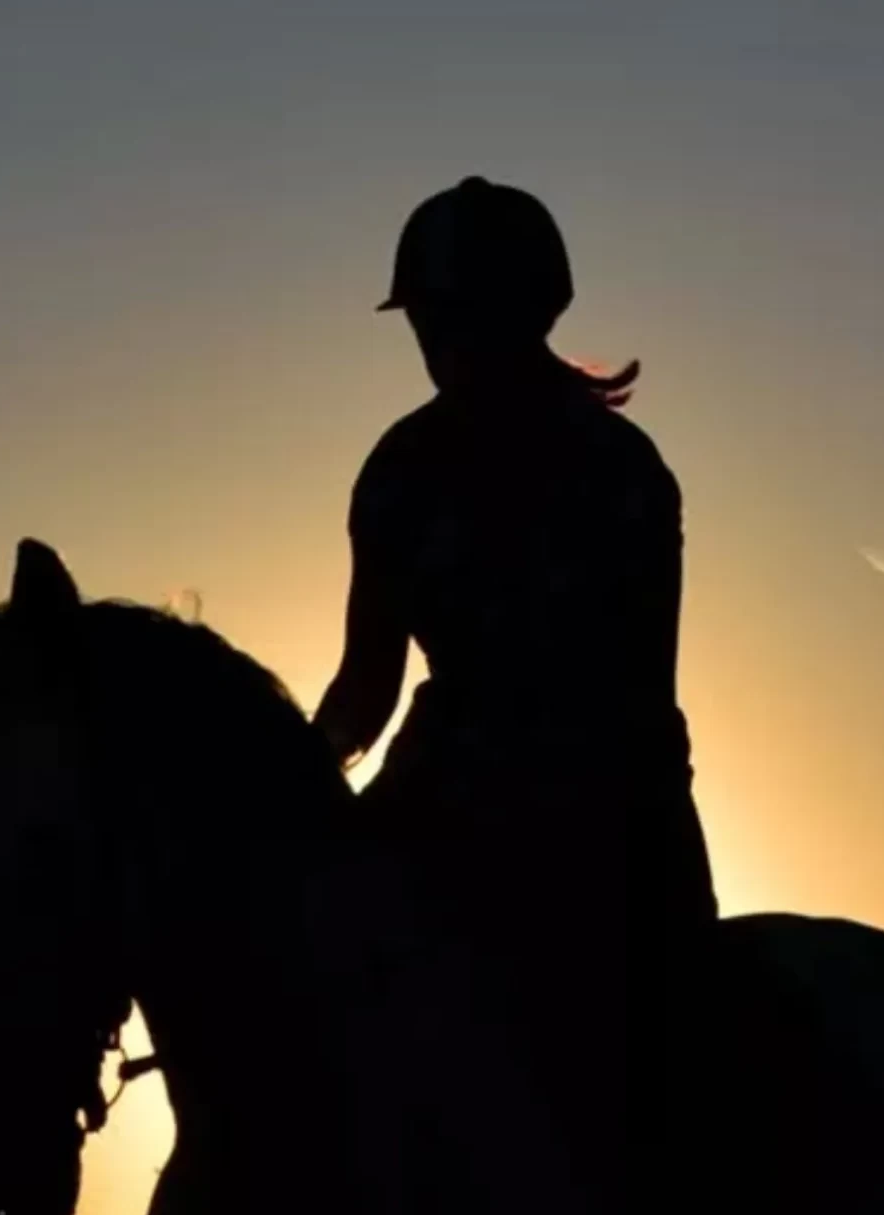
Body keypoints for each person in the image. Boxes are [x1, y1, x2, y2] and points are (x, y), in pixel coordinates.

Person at [315, 176, 716, 1164]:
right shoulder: (400, 467)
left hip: (610, 815)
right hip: (440, 791)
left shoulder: (618, 470)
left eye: (456, 319)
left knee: (688, 1072)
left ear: (527, 312)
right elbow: (365, 688)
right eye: (429, 323)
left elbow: (632, 692)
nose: (439, 345)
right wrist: (282, 789)